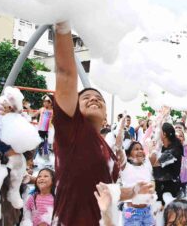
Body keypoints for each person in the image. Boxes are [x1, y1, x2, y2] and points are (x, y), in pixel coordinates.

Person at [52, 21, 128, 225]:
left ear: (105, 117)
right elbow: (66, 74)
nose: (94, 98)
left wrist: (138, 192)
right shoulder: (70, 129)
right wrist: (62, 22)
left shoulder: (107, 150)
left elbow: (108, 191)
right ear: (73, 107)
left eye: (99, 99)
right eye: (86, 97)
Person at [120, 141, 155, 226]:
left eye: (141, 149)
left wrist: (152, 145)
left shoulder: (147, 165)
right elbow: (119, 150)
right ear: (128, 155)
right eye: (136, 149)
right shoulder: (125, 167)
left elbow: (154, 153)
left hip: (147, 211)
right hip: (131, 212)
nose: (140, 151)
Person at [150, 122, 183, 205]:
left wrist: (152, 150)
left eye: (158, 131)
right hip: (160, 184)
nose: (156, 133)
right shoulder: (164, 146)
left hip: (169, 187)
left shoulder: (174, 150)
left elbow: (154, 163)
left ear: (164, 134)